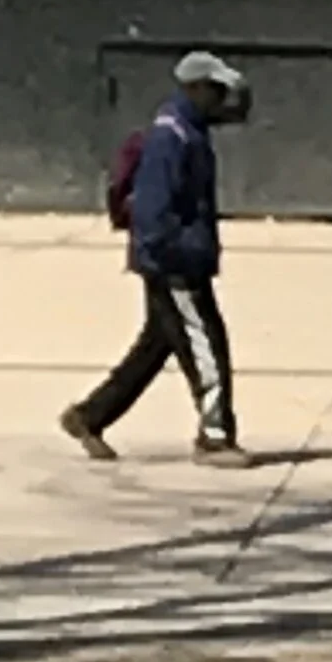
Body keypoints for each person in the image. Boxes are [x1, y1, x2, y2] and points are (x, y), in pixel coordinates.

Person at [61, 51, 255, 466]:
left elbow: (239, 109)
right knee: (205, 343)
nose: (224, 99)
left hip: (175, 258)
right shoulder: (172, 138)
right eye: (216, 90)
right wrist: (175, 257)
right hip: (174, 263)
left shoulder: (189, 129)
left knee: (157, 345)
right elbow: (153, 211)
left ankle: (90, 416)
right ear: (197, 88)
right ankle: (215, 436)